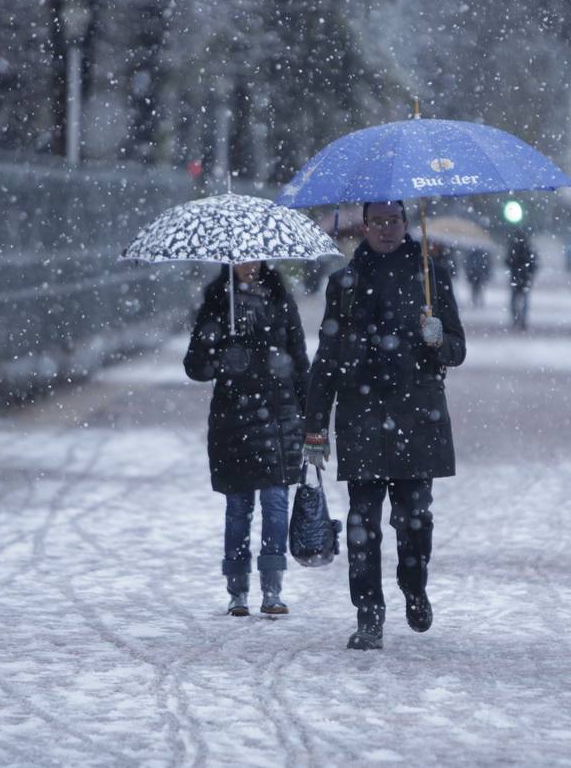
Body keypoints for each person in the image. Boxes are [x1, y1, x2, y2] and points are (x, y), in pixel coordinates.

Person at [303, 201, 466, 650]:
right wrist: (314, 427)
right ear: (365, 227)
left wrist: (439, 340)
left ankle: (414, 586)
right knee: (362, 525)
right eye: (378, 222)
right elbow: (327, 357)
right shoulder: (345, 283)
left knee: (415, 521)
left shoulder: (431, 277)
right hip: (362, 416)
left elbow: (457, 349)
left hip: (418, 415)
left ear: (406, 224)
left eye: (394, 221)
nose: (386, 229)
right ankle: (369, 614)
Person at [184, 261, 309, 617]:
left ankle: (272, 589)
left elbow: (299, 361)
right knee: (238, 507)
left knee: (275, 503)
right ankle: (237, 591)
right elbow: (195, 366)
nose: (248, 266)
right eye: (242, 259)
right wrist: (219, 349)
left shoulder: (280, 299)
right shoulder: (216, 301)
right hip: (233, 419)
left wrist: (310, 420)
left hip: (278, 415)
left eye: (255, 259)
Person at [505, 228, 536, 330]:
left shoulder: (514, 247)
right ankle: (522, 320)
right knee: (524, 300)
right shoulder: (528, 248)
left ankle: (516, 318)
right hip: (525, 278)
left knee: (514, 299)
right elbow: (534, 263)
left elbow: (507, 261)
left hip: (515, 277)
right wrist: (530, 273)